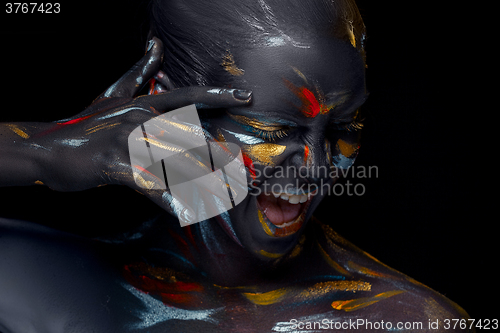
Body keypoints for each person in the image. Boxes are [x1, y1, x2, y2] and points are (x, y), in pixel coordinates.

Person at [0, 0, 471, 332]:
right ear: (165, 108)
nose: (316, 169)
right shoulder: (38, 277)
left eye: (343, 128)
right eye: (273, 129)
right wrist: (36, 151)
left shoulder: (408, 320)